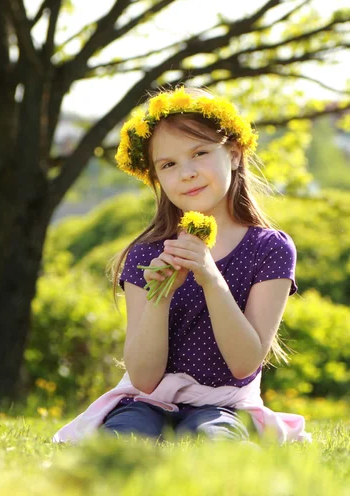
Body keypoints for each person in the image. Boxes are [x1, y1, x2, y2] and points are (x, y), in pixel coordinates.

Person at [53, 86, 311, 445]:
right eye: (169, 164)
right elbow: (143, 377)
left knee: (214, 443)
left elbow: (244, 362)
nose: (186, 173)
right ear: (156, 177)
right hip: (147, 401)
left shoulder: (268, 249)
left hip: (224, 405)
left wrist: (210, 277)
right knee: (122, 441)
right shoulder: (146, 256)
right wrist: (161, 294)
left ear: (234, 154)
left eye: (200, 153)